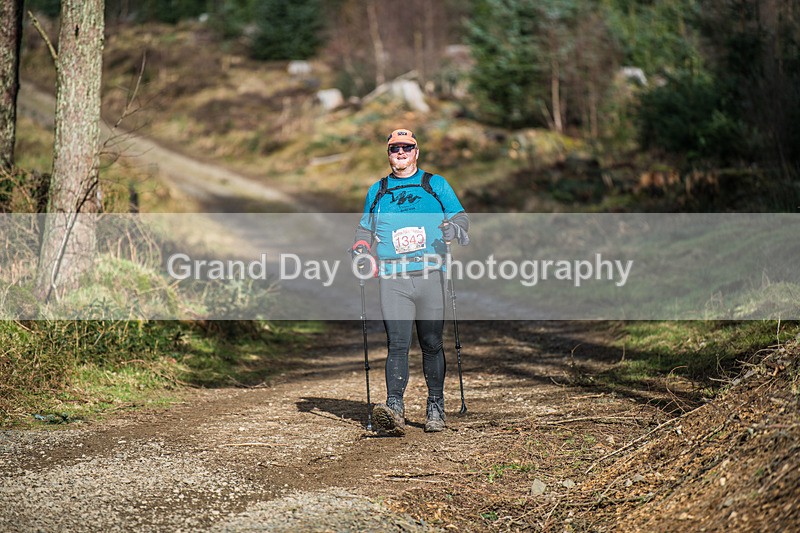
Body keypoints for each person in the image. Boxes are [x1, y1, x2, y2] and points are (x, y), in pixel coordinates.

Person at [351, 128, 469, 435]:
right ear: (388, 154)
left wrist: (453, 230)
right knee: (398, 344)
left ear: (416, 152)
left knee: (431, 343)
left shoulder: (435, 184)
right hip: (393, 278)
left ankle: (436, 407)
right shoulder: (377, 190)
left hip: (431, 275)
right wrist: (361, 249)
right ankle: (394, 410)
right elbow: (364, 230)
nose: (400, 153)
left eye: (407, 147)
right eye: (394, 149)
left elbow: (460, 217)